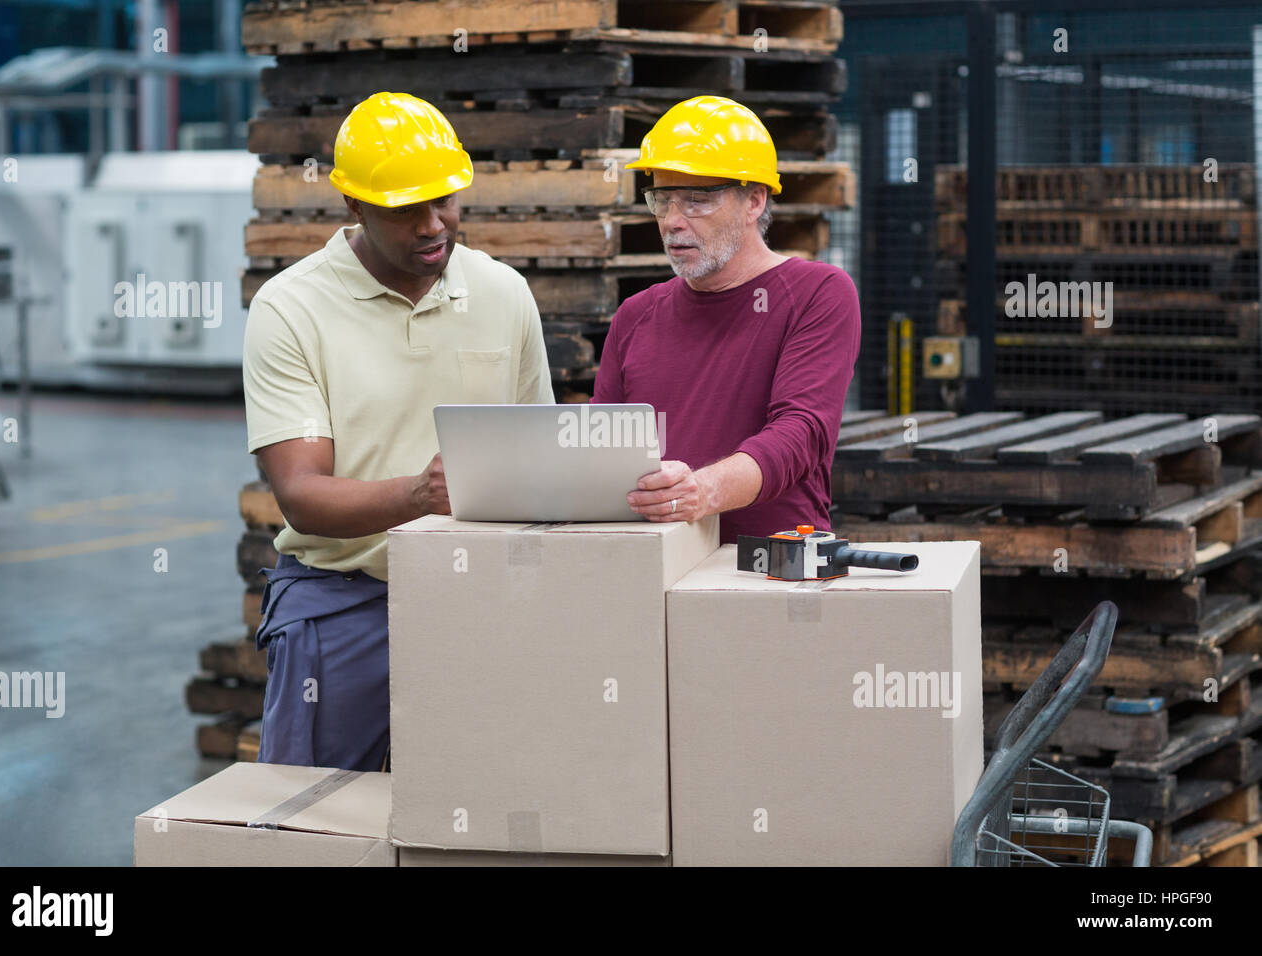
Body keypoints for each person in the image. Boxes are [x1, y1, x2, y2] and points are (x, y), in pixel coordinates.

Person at [242, 92, 554, 770]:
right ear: (352, 205)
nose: (433, 223)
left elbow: (541, 453)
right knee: (320, 819)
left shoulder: (503, 295)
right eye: (406, 208)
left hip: (482, 597)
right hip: (345, 605)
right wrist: (419, 496)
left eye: (445, 199)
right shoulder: (291, 310)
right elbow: (301, 494)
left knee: (486, 808)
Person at [593, 95, 860, 544]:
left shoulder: (818, 294)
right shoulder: (636, 315)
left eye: (696, 200)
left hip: (770, 569)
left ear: (754, 200)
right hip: (650, 564)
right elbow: (598, 446)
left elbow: (800, 433)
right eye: (662, 200)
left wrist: (704, 491)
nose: (673, 222)